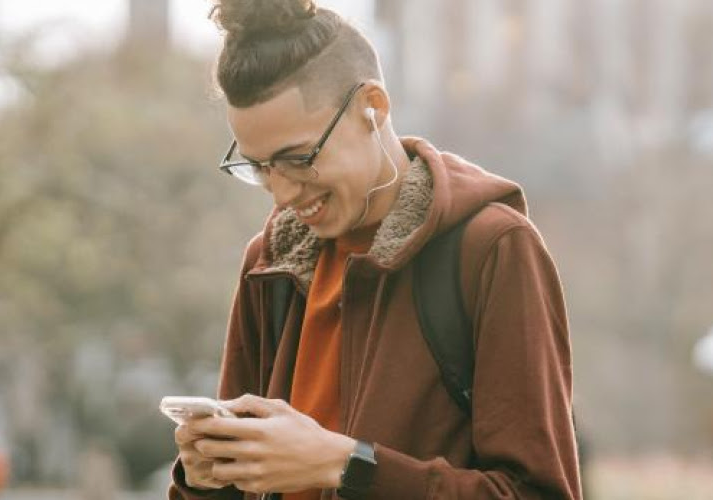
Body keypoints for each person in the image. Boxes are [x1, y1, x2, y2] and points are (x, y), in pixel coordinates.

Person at [168, 1, 580, 499]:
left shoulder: (491, 249)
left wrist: (348, 466)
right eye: (258, 167)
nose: (281, 193)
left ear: (374, 107)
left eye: (298, 158)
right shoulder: (269, 263)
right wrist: (205, 481)